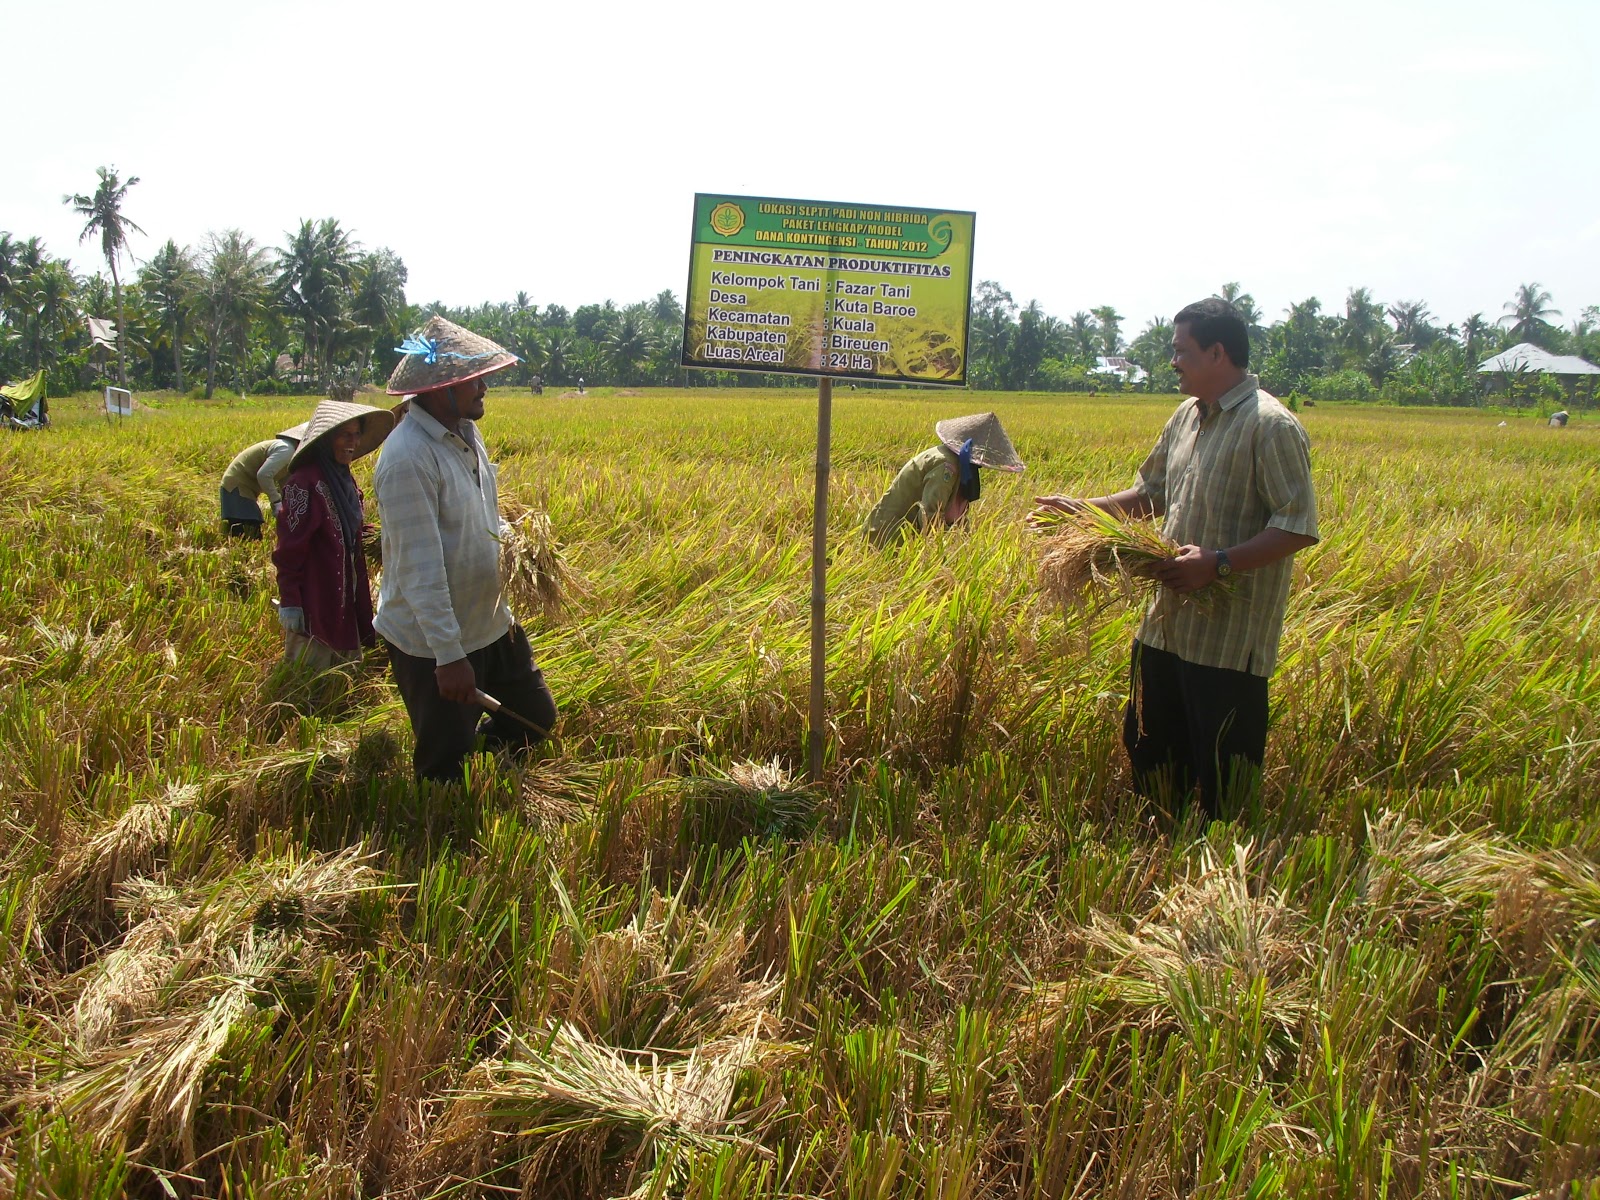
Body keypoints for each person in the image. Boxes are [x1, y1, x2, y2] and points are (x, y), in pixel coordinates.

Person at [1033, 299, 1318, 819]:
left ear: (1216, 352)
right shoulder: (1186, 417)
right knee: (1151, 756)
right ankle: (1159, 858)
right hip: (1164, 628)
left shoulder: (1270, 426)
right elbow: (1152, 493)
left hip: (1227, 643)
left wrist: (1218, 563)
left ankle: (1218, 880)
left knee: (1221, 779)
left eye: (1180, 351)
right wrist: (1080, 512)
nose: (1173, 362)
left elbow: (1297, 527)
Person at [375, 316, 558, 782]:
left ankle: (490, 770)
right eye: (474, 380)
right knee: (445, 767)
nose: (484, 388)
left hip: (491, 621)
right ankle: (440, 840)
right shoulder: (406, 459)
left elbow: (482, 512)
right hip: (434, 641)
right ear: (441, 388)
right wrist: (449, 657)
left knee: (535, 718)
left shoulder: (465, 433)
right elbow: (420, 567)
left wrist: (515, 541)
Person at [272, 400, 396, 671]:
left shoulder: (345, 480)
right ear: (326, 440)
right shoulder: (303, 484)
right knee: (310, 679)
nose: (352, 442)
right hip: (315, 596)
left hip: (345, 590)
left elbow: (354, 529)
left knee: (342, 678)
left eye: (356, 435)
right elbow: (289, 549)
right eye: (344, 435)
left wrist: (387, 536)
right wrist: (290, 599)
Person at [865, 412, 1024, 547]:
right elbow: (930, 514)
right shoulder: (946, 465)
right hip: (885, 538)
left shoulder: (961, 465)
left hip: (905, 536)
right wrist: (941, 552)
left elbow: (959, 517)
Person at [220, 421, 308, 538]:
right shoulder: (286, 450)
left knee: (249, 528)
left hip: (246, 487)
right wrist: (276, 501)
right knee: (248, 529)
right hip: (237, 485)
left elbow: (285, 484)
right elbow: (264, 475)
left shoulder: (291, 455)